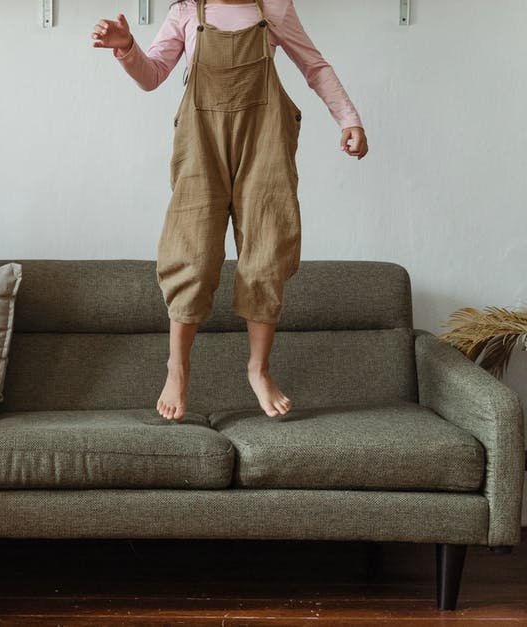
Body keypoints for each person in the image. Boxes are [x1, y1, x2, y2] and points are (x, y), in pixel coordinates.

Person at [91, 0, 369, 421]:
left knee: (266, 253)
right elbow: (152, 77)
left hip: (265, 146)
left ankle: (259, 369)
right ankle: (177, 367)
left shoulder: (273, 9)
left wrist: (349, 118)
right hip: (200, 147)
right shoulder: (186, 13)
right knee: (192, 256)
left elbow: (315, 66)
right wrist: (128, 47)